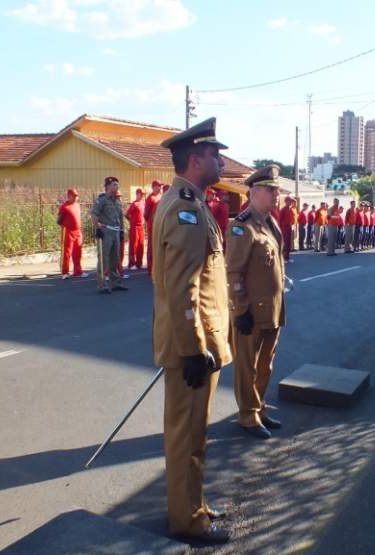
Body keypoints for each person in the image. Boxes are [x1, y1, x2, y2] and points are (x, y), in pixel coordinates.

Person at [151, 117, 233, 544]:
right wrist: (194, 348)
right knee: (187, 437)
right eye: (215, 154)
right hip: (192, 345)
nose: (221, 160)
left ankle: (192, 505)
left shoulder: (193, 202)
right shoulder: (185, 208)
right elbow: (183, 288)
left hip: (199, 341)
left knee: (194, 434)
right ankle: (187, 520)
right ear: (196, 158)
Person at [225, 165, 287, 440]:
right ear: (255, 192)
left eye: (277, 190)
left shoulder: (269, 222)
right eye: (272, 190)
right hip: (251, 310)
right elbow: (233, 271)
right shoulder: (242, 225)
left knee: (265, 364)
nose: (277, 195)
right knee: (246, 365)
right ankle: (247, 416)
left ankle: (259, 408)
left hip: (272, 309)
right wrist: (240, 309)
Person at [91, 177, 127, 294]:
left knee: (115, 259)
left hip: (115, 232)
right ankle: (102, 285)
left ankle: (116, 283)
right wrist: (98, 228)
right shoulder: (102, 200)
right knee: (103, 259)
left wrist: (121, 230)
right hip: (106, 232)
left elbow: (120, 217)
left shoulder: (117, 201)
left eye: (117, 185)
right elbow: (94, 214)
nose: (117, 187)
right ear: (107, 187)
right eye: (114, 185)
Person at [57, 188, 86, 279]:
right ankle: (65, 272)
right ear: (69, 196)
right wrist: (66, 226)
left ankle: (78, 271)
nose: (76, 197)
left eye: (76, 196)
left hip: (78, 231)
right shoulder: (64, 207)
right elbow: (58, 220)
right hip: (68, 231)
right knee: (67, 252)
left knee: (78, 251)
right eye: (74, 196)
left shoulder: (77, 205)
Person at [144, 180, 164, 276]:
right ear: (153, 187)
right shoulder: (150, 198)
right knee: (151, 248)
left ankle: (158, 268)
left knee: (159, 247)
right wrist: (150, 223)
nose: (160, 188)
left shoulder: (162, 196)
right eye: (158, 186)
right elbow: (146, 214)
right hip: (152, 227)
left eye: (160, 186)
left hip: (161, 226)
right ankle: (150, 269)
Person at [126, 187, 145, 270]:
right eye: (141, 194)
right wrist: (132, 222)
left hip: (141, 227)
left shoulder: (142, 203)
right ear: (137, 194)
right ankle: (132, 264)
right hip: (135, 227)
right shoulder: (134, 204)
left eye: (143, 194)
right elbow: (127, 214)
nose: (143, 196)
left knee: (141, 245)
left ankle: (139, 263)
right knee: (133, 246)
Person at [278, 196, 295, 263]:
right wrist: (281, 229)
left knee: (288, 243)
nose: (291, 203)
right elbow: (279, 220)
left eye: (291, 201)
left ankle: (287, 258)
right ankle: (283, 258)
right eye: (289, 201)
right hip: (284, 228)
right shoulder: (283, 209)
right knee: (284, 243)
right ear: (286, 202)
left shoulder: (290, 209)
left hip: (289, 227)